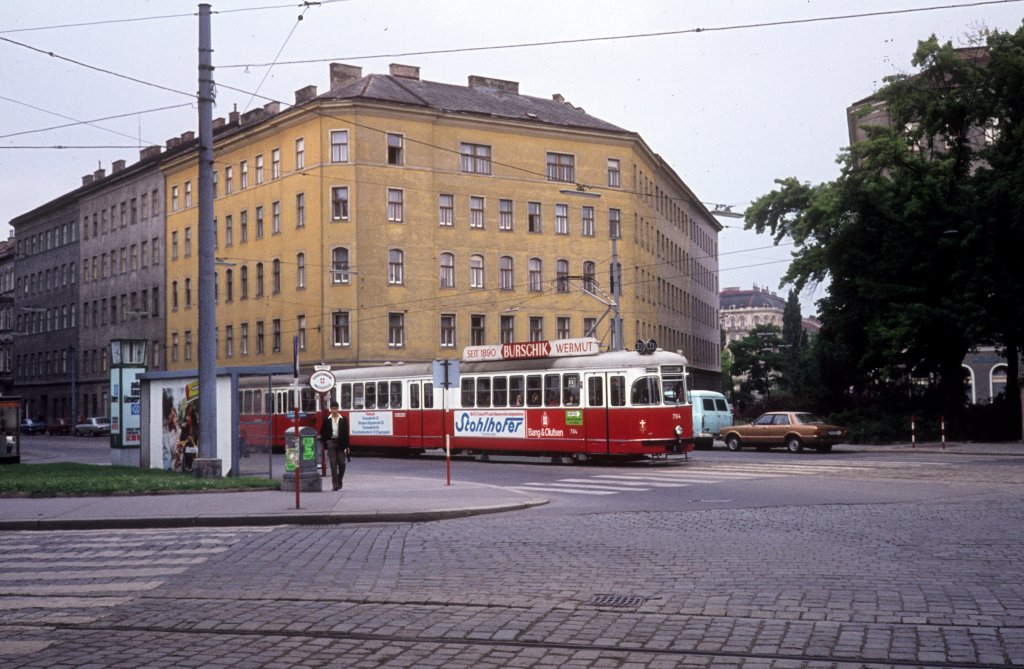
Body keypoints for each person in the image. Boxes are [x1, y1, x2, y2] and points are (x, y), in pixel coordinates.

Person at [319, 401, 350, 491]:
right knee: (333, 464)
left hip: (341, 443)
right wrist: (326, 442)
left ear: (338, 409)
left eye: (335, 408)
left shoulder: (343, 419)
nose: (334, 410)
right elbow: (322, 432)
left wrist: (347, 446)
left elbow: (346, 433)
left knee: (342, 463)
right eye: (332, 409)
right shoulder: (326, 420)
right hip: (331, 443)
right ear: (330, 409)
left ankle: (339, 480)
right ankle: (335, 485)